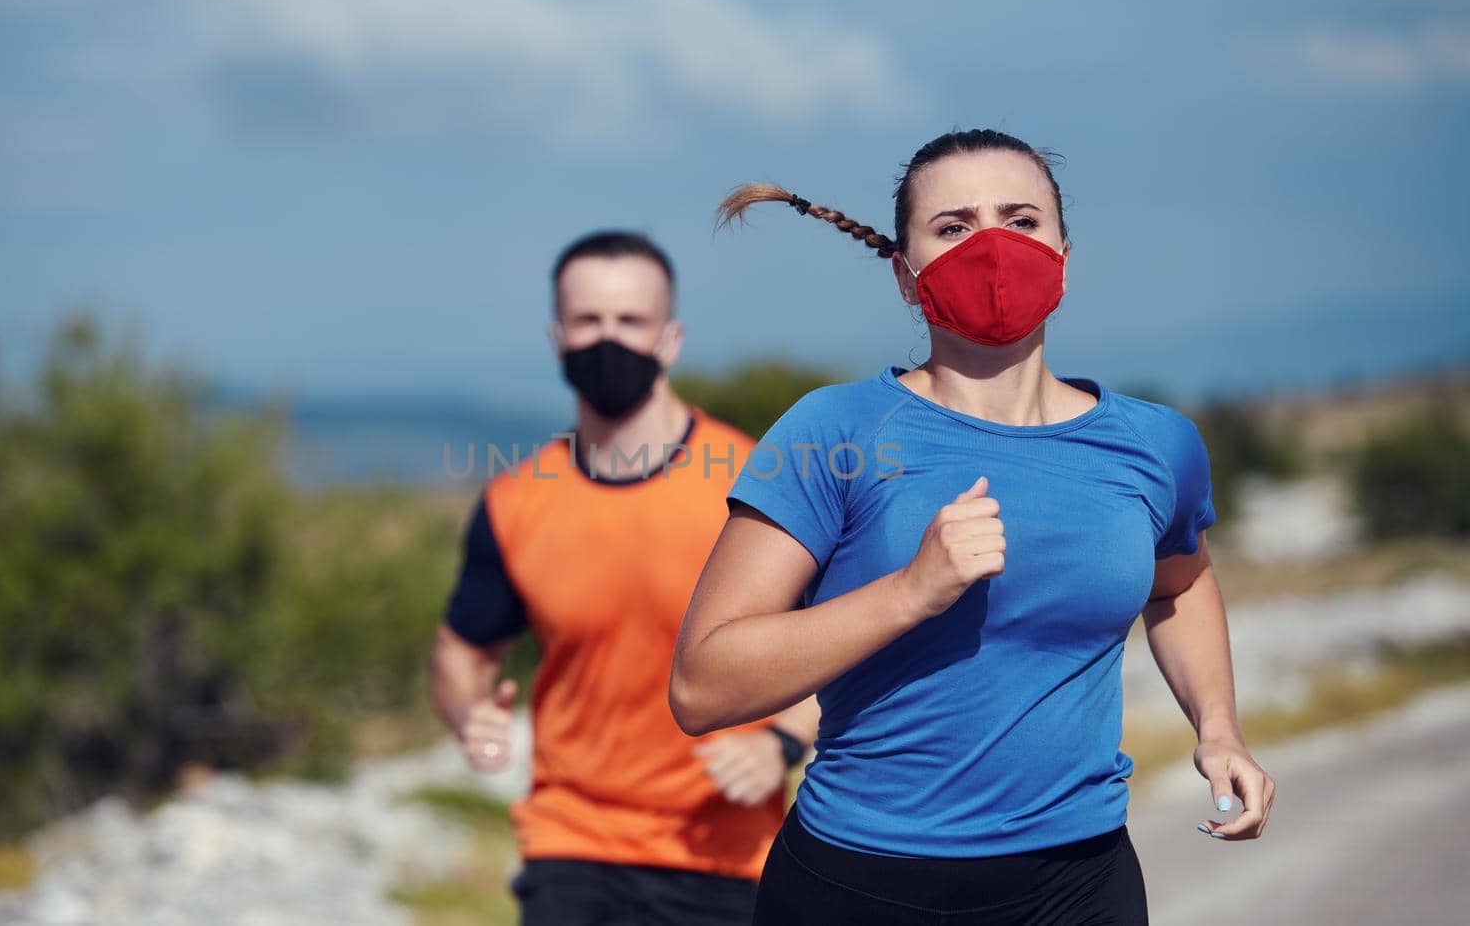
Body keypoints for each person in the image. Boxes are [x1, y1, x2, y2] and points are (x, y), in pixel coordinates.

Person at [667, 129, 1276, 925]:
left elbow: (1182, 582)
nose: (992, 245)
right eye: (953, 227)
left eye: (1021, 220)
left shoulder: (1155, 444)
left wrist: (1219, 729)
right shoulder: (834, 430)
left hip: (1079, 885)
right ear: (903, 272)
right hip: (860, 885)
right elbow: (701, 685)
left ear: (1064, 250)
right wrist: (909, 593)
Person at [430, 231, 821, 926]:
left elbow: (836, 646)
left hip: (723, 847)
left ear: (670, 338)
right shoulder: (517, 502)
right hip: (570, 836)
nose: (607, 340)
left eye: (630, 321)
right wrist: (469, 712)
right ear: (556, 336)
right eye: (587, 321)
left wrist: (780, 742)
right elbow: (462, 651)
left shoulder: (755, 482)